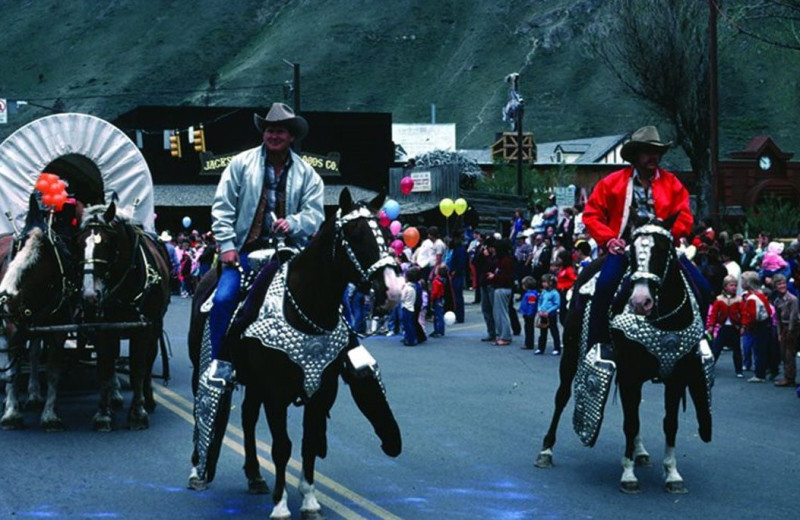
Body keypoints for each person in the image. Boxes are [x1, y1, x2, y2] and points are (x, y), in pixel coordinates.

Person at [207, 102, 325, 384]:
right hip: (245, 252)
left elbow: (315, 214)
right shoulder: (240, 165)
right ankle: (220, 362)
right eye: (270, 130)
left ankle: (344, 357)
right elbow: (222, 208)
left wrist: (293, 223)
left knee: (335, 299)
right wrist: (227, 246)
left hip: (291, 253)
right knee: (223, 300)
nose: (274, 136)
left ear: (292, 136)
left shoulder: (308, 174)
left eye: (280, 131)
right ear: (264, 133)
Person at [582, 125, 707, 353]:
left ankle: (698, 342)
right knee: (605, 285)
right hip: (626, 248)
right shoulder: (612, 183)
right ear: (635, 155)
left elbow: (685, 216)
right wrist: (610, 239)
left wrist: (669, 237)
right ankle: (597, 344)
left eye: (656, 151)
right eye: (647, 151)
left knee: (704, 288)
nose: (653, 156)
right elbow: (591, 215)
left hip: (662, 248)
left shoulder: (672, 183)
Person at [706, 275, 744, 377]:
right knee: (716, 348)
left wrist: (743, 326)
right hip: (723, 326)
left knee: (737, 350)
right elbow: (714, 314)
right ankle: (709, 367)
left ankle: (739, 370)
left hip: (734, 327)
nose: (734, 287)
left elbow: (743, 314)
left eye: (735, 285)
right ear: (725, 287)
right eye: (731, 285)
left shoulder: (739, 299)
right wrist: (711, 325)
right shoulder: (719, 299)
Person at [740, 271, 773, 383]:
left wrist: (746, 326)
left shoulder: (751, 298)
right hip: (766, 323)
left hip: (758, 326)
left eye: (743, 280)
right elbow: (768, 310)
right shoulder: (760, 294)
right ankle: (766, 369)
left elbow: (752, 316)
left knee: (759, 349)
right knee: (763, 348)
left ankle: (760, 374)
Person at [770, 274, 799, 387]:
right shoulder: (777, 301)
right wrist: (779, 332)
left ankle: (790, 377)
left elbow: (794, 317)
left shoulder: (792, 299)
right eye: (779, 284)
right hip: (783, 328)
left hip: (793, 328)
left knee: (790, 353)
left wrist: (790, 331)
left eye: (783, 283)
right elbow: (778, 319)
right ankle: (787, 375)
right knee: (784, 353)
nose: (782, 286)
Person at [488, 238, 515, 346]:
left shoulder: (505, 261)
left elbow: (506, 277)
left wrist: (495, 276)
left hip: (503, 288)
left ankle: (505, 336)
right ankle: (502, 335)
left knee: (501, 313)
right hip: (502, 287)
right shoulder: (505, 259)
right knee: (499, 313)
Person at [535, 273, 561, 355]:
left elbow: (557, 304)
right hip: (543, 314)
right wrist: (539, 309)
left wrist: (548, 311)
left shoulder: (555, 293)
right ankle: (540, 348)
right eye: (542, 282)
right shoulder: (543, 292)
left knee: (554, 331)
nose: (543, 284)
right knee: (543, 332)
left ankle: (557, 348)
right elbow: (539, 301)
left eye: (545, 282)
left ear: (550, 283)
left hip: (551, 315)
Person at [518, 276, 539, 350]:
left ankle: (529, 343)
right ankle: (528, 343)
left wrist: (529, 313)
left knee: (528, 329)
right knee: (528, 328)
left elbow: (531, 305)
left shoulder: (530, 295)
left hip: (529, 314)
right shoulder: (530, 293)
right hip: (528, 313)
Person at [430, 264, 449, 337]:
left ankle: (438, 330)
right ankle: (441, 330)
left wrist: (431, 298)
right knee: (440, 314)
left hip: (437, 299)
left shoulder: (436, 281)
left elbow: (434, 292)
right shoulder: (443, 280)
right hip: (441, 298)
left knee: (437, 315)